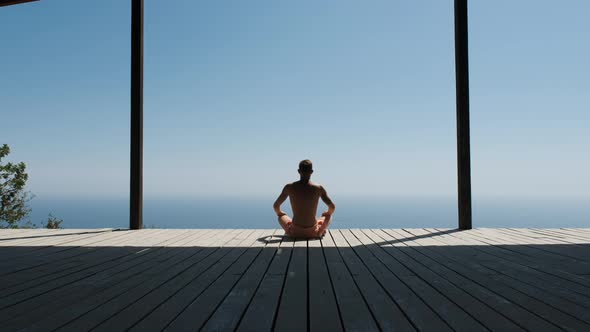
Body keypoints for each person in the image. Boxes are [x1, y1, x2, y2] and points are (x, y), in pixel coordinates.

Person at [273, 159, 336, 238]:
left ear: (299, 171)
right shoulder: (318, 188)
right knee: (329, 216)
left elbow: (276, 206)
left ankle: (288, 231)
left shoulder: (289, 187)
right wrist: (327, 213)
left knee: (280, 217)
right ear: (311, 172)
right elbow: (332, 207)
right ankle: (320, 232)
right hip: (313, 232)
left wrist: (280, 213)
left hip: (295, 232)